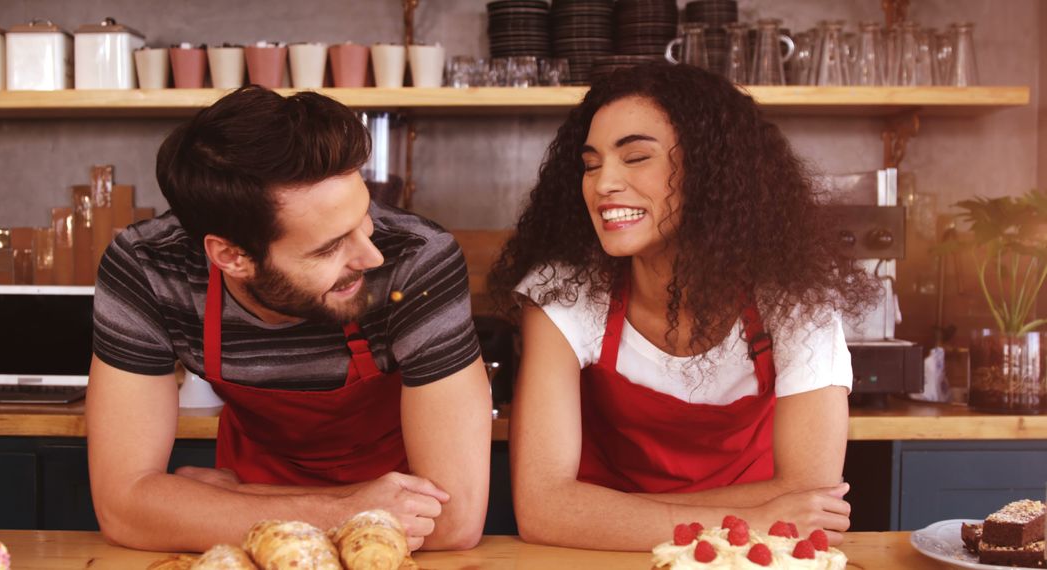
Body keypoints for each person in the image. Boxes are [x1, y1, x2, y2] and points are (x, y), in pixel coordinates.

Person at [489, 63, 878, 551]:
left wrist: (603, 512)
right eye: (591, 164)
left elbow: (808, 497)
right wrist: (756, 512)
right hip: (608, 557)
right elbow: (544, 510)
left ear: (710, 169)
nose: (603, 182)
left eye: (634, 158)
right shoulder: (563, 292)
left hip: (747, 556)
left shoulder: (796, 301)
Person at [87, 86, 491, 553]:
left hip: (388, 542)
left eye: (364, 217)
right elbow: (123, 507)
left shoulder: (417, 258)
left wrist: (229, 501)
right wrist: (347, 509)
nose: (371, 253)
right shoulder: (149, 266)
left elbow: (454, 520)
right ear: (232, 256)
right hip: (260, 547)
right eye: (330, 246)